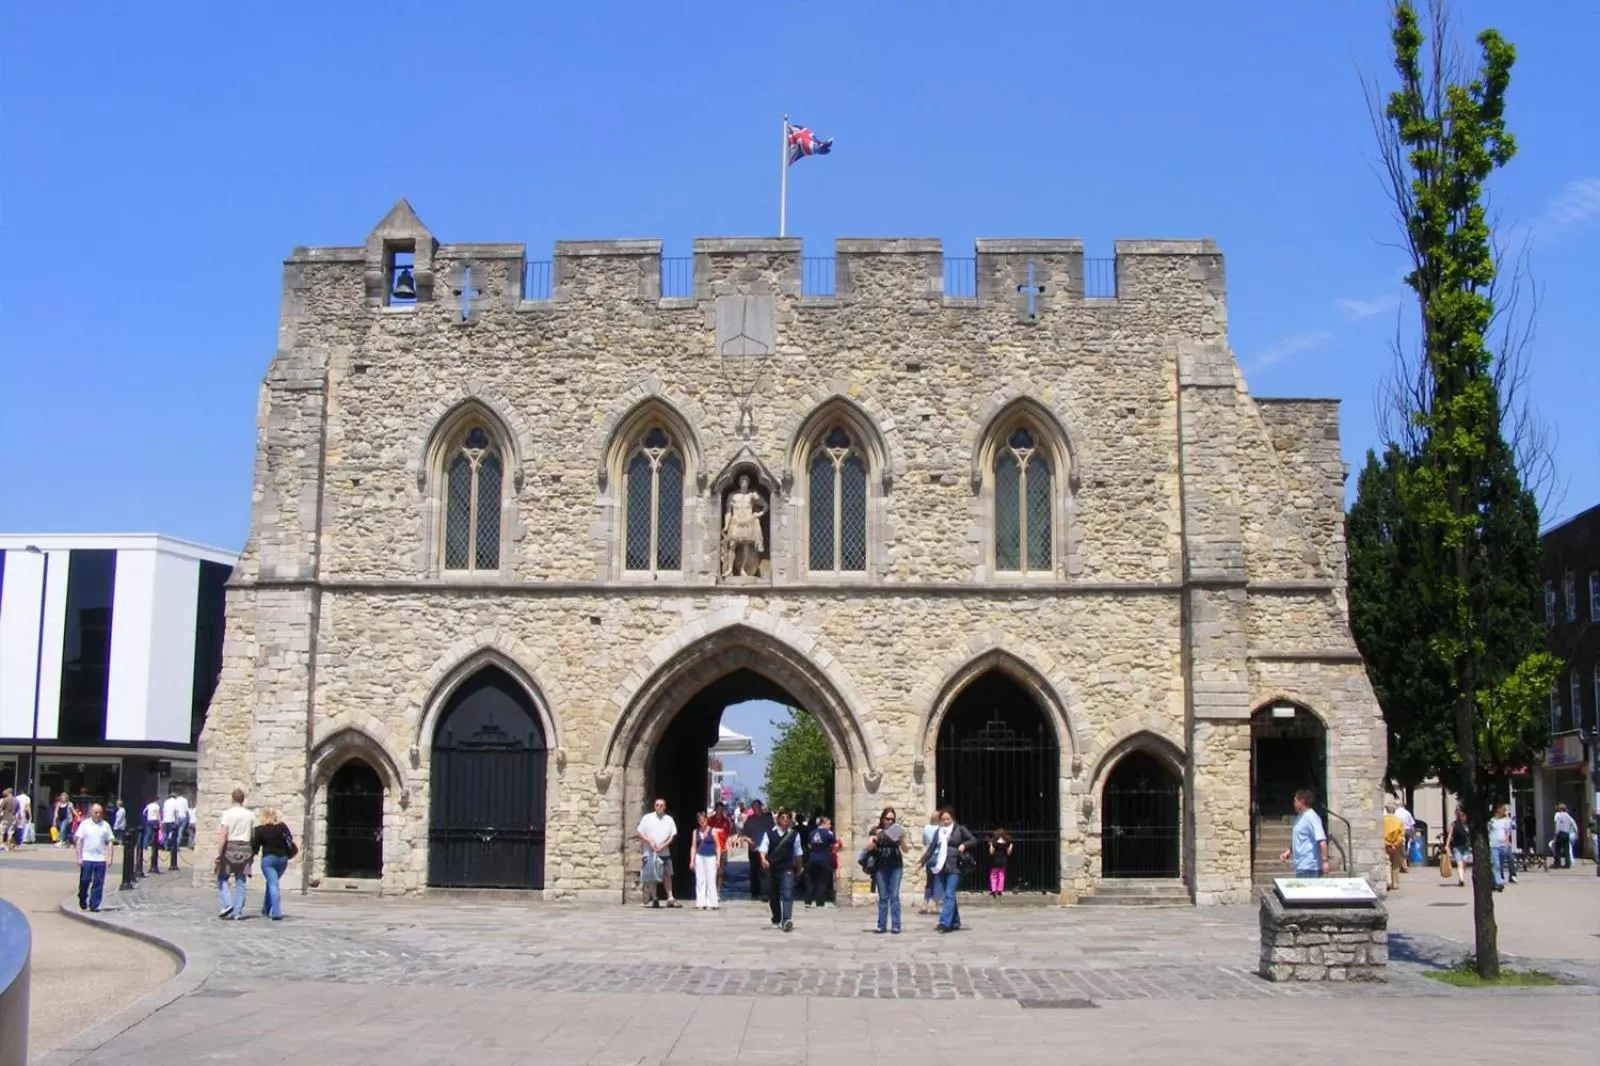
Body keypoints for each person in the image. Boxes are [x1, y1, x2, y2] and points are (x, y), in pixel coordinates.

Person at [930, 807, 976, 934]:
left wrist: (964, 845)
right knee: (949, 896)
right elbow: (931, 848)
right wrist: (921, 862)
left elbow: (974, 840)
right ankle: (955, 922)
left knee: (949, 894)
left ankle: (944, 923)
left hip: (955, 867)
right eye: (943, 819)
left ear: (952, 818)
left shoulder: (960, 829)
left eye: (948, 819)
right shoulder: (938, 832)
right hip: (943, 867)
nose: (945, 821)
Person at [758, 808, 803, 932]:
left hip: (788, 868)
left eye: (788, 818)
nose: (785, 820)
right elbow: (763, 848)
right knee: (774, 895)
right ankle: (777, 918)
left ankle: (787, 920)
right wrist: (763, 859)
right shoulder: (769, 833)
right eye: (783, 817)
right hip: (773, 868)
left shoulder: (794, 835)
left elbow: (798, 853)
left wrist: (799, 868)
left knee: (787, 894)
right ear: (778, 819)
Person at [215, 788, 255, 920]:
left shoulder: (227, 814)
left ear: (232, 799)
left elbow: (223, 834)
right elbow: (253, 834)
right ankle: (238, 911)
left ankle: (227, 904)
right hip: (245, 847)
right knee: (241, 880)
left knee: (222, 878)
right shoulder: (250, 814)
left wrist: (218, 853)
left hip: (230, 847)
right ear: (243, 799)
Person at [251, 807, 296, 921]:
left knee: (273, 884)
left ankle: (276, 912)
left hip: (269, 860)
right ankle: (266, 909)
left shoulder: (260, 830)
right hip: (283, 860)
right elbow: (290, 839)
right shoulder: (282, 827)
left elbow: (254, 848)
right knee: (271, 883)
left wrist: (250, 858)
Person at [866, 807, 907, 934]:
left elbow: (906, 849)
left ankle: (896, 925)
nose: (889, 821)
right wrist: (876, 838)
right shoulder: (875, 830)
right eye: (887, 819)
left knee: (894, 896)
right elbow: (869, 848)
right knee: (883, 897)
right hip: (881, 865)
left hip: (895, 865)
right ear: (883, 819)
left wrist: (902, 840)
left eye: (892, 819)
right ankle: (881, 925)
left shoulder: (897, 831)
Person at [636, 798, 679, 909]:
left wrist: (663, 845)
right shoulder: (647, 818)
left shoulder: (669, 819)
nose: (659, 807)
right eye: (657, 805)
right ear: (654, 806)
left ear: (665, 807)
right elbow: (639, 832)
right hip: (650, 852)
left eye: (661, 805)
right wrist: (649, 841)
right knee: (652, 876)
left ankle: (670, 897)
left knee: (667, 875)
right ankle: (655, 898)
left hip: (664, 852)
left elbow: (672, 836)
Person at [75, 803, 116, 912]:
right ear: (91, 813)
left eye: (100, 813)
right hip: (87, 857)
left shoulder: (105, 825)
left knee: (98, 882)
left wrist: (110, 857)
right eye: (95, 812)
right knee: (85, 880)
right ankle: (82, 897)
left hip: (100, 858)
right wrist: (79, 857)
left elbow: (110, 842)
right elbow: (79, 841)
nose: (98, 815)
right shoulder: (85, 824)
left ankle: (94, 904)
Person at [1279, 789, 1329, 879]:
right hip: (1300, 865)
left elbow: (1322, 840)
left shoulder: (1312, 817)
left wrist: (1325, 861)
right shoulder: (1299, 817)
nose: (1293, 803)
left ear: (1301, 801)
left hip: (1310, 867)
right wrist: (1289, 851)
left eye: (1295, 800)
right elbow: (1299, 838)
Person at [690, 810, 723, 910]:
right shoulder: (695, 832)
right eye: (700, 820)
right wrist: (692, 860)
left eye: (703, 820)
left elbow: (718, 846)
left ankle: (711, 902)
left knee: (711, 879)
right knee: (700, 880)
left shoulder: (713, 831)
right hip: (700, 857)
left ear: (706, 820)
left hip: (711, 857)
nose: (702, 822)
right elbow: (693, 847)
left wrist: (718, 859)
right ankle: (701, 902)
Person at [741, 800, 774, 901]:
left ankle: (765, 893)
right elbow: (743, 834)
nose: (755, 808)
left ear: (761, 807)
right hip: (753, 849)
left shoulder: (768, 819)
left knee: (765, 871)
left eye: (757, 806)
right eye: (753, 807)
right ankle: (755, 892)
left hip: (765, 850)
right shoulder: (750, 820)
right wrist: (748, 840)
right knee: (754, 871)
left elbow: (773, 832)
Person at [804, 815, 838, 909]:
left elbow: (809, 846)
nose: (830, 825)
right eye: (828, 823)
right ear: (823, 824)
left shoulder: (812, 833)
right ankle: (820, 903)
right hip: (824, 859)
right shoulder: (829, 834)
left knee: (811, 880)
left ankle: (808, 901)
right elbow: (834, 845)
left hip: (812, 859)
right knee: (822, 881)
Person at [919, 812, 943, 915]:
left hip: (929, 858)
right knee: (938, 881)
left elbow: (924, 842)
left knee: (929, 881)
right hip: (937, 856)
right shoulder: (940, 829)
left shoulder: (926, 828)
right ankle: (936, 906)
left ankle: (925, 904)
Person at [1487, 803, 1514, 892]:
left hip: (1502, 846)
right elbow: (1487, 832)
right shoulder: (1491, 821)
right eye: (1502, 809)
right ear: (1497, 810)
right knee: (1496, 865)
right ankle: (1499, 882)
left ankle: (1494, 882)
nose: (1504, 811)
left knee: (1500, 865)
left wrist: (1506, 844)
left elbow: (1507, 833)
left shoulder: (1505, 821)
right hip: (1493, 845)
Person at [161, 789, 186, 872]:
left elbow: (163, 811)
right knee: (172, 834)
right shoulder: (175, 802)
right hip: (172, 820)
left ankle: (165, 846)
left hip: (165, 820)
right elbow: (176, 811)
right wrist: (176, 820)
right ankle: (173, 846)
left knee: (165, 833)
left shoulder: (166, 802)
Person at [1382, 803, 1405, 891]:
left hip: (1385, 845)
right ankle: (1395, 883)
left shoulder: (1383, 820)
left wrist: (1387, 843)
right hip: (1396, 845)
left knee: (1387, 863)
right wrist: (1395, 844)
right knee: (1396, 864)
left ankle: (1388, 881)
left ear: (1387, 810)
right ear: (1394, 810)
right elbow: (1401, 834)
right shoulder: (1399, 821)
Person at [1447, 808, 1471, 887]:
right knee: (1459, 864)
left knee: (1464, 863)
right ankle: (1461, 879)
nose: (1462, 817)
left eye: (1464, 815)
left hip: (1467, 847)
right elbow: (1450, 835)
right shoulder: (1454, 824)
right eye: (1460, 815)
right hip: (1457, 847)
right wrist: (1447, 845)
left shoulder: (1469, 824)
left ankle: (1461, 876)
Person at [987, 828, 1014, 898]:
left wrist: (990, 845)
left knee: (993, 875)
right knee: (1001, 875)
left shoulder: (994, 842)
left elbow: (991, 852)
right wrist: (1011, 846)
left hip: (995, 860)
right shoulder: (1007, 843)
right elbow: (1008, 853)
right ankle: (999, 890)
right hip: (1003, 860)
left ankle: (993, 890)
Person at [1552, 803, 1578, 868]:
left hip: (1560, 833)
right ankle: (1567, 864)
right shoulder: (1568, 816)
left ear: (1560, 809)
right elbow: (1573, 823)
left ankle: (1557, 863)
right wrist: (1576, 831)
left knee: (1557, 849)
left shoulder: (1558, 816)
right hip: (1566, 834)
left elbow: (1557, 826)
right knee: (1566, 849)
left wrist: (1555, 835)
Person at [142, 796, 163, 873]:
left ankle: (145, 846)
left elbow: (144, 812)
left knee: (147, 833)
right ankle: (153, 844)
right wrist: (160, 822)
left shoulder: (149, 805)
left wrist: (146, 817)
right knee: (154, 834)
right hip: (154, 820)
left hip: (149, 820)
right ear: (157, 800)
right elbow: (158, 814)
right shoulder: (157, 806)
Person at [1394, 799, 1415, 872]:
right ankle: (1404, 864)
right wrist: (1413, 835)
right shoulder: (1407, 812)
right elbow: (1412, 825)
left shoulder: (1395, 812)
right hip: (1408, 831)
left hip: (1400, 831)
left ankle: (1404, 866)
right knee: (1406, 848)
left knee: (1400, 849)